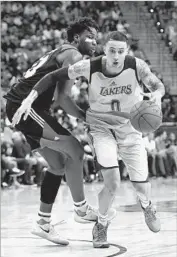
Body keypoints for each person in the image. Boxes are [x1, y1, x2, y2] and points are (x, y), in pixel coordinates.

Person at [11, 31, 165, 248]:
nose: (115, 55)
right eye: (111, 50)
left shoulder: (136, 65)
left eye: (120, 51)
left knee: (140, 186)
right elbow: (53, 77)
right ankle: (99, 223)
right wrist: (30, 98)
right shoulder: (89, 66)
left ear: (126, 52)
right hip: (101, 129)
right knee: (110, 180)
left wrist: (156, 96)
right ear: (105, 50)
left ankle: (147, 205)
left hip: (129, 129)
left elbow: (158, 86)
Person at [4, 18, 100, 246]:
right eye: (90, 35)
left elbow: (62, 100)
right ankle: (81, 208)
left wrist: (86, 117)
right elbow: (64, 100)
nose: (95, 41)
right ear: (77, 38)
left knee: (57, 165)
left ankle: (43, 222)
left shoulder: (63, 52)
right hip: (25, 107)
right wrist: (89, 117)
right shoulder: (73, 55)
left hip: (24, 107)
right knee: (75, 150)